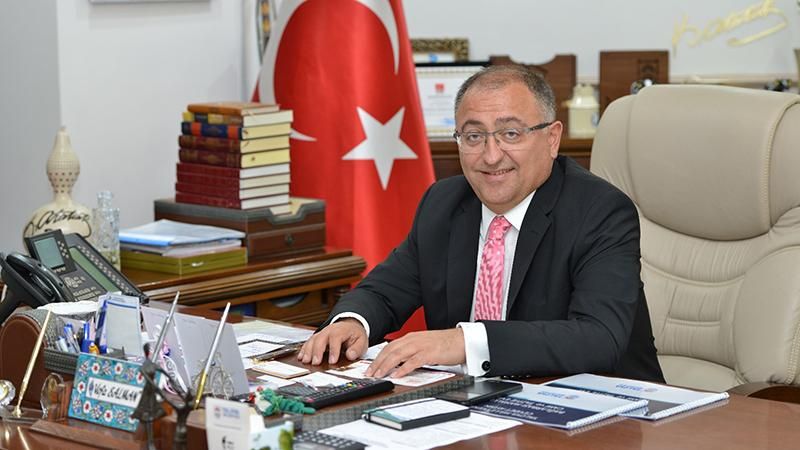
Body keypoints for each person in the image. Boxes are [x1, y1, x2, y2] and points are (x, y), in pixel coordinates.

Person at [299, 64, 664, 382]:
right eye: (474, 136)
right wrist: (352, 322)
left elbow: (598, 338)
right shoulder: (444, 203)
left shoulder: (600, 211)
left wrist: (465, 342)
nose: (490, 156)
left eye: (511, 134)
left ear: (552, 139)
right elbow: (384, 291)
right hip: (475, 408)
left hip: (604, 412)